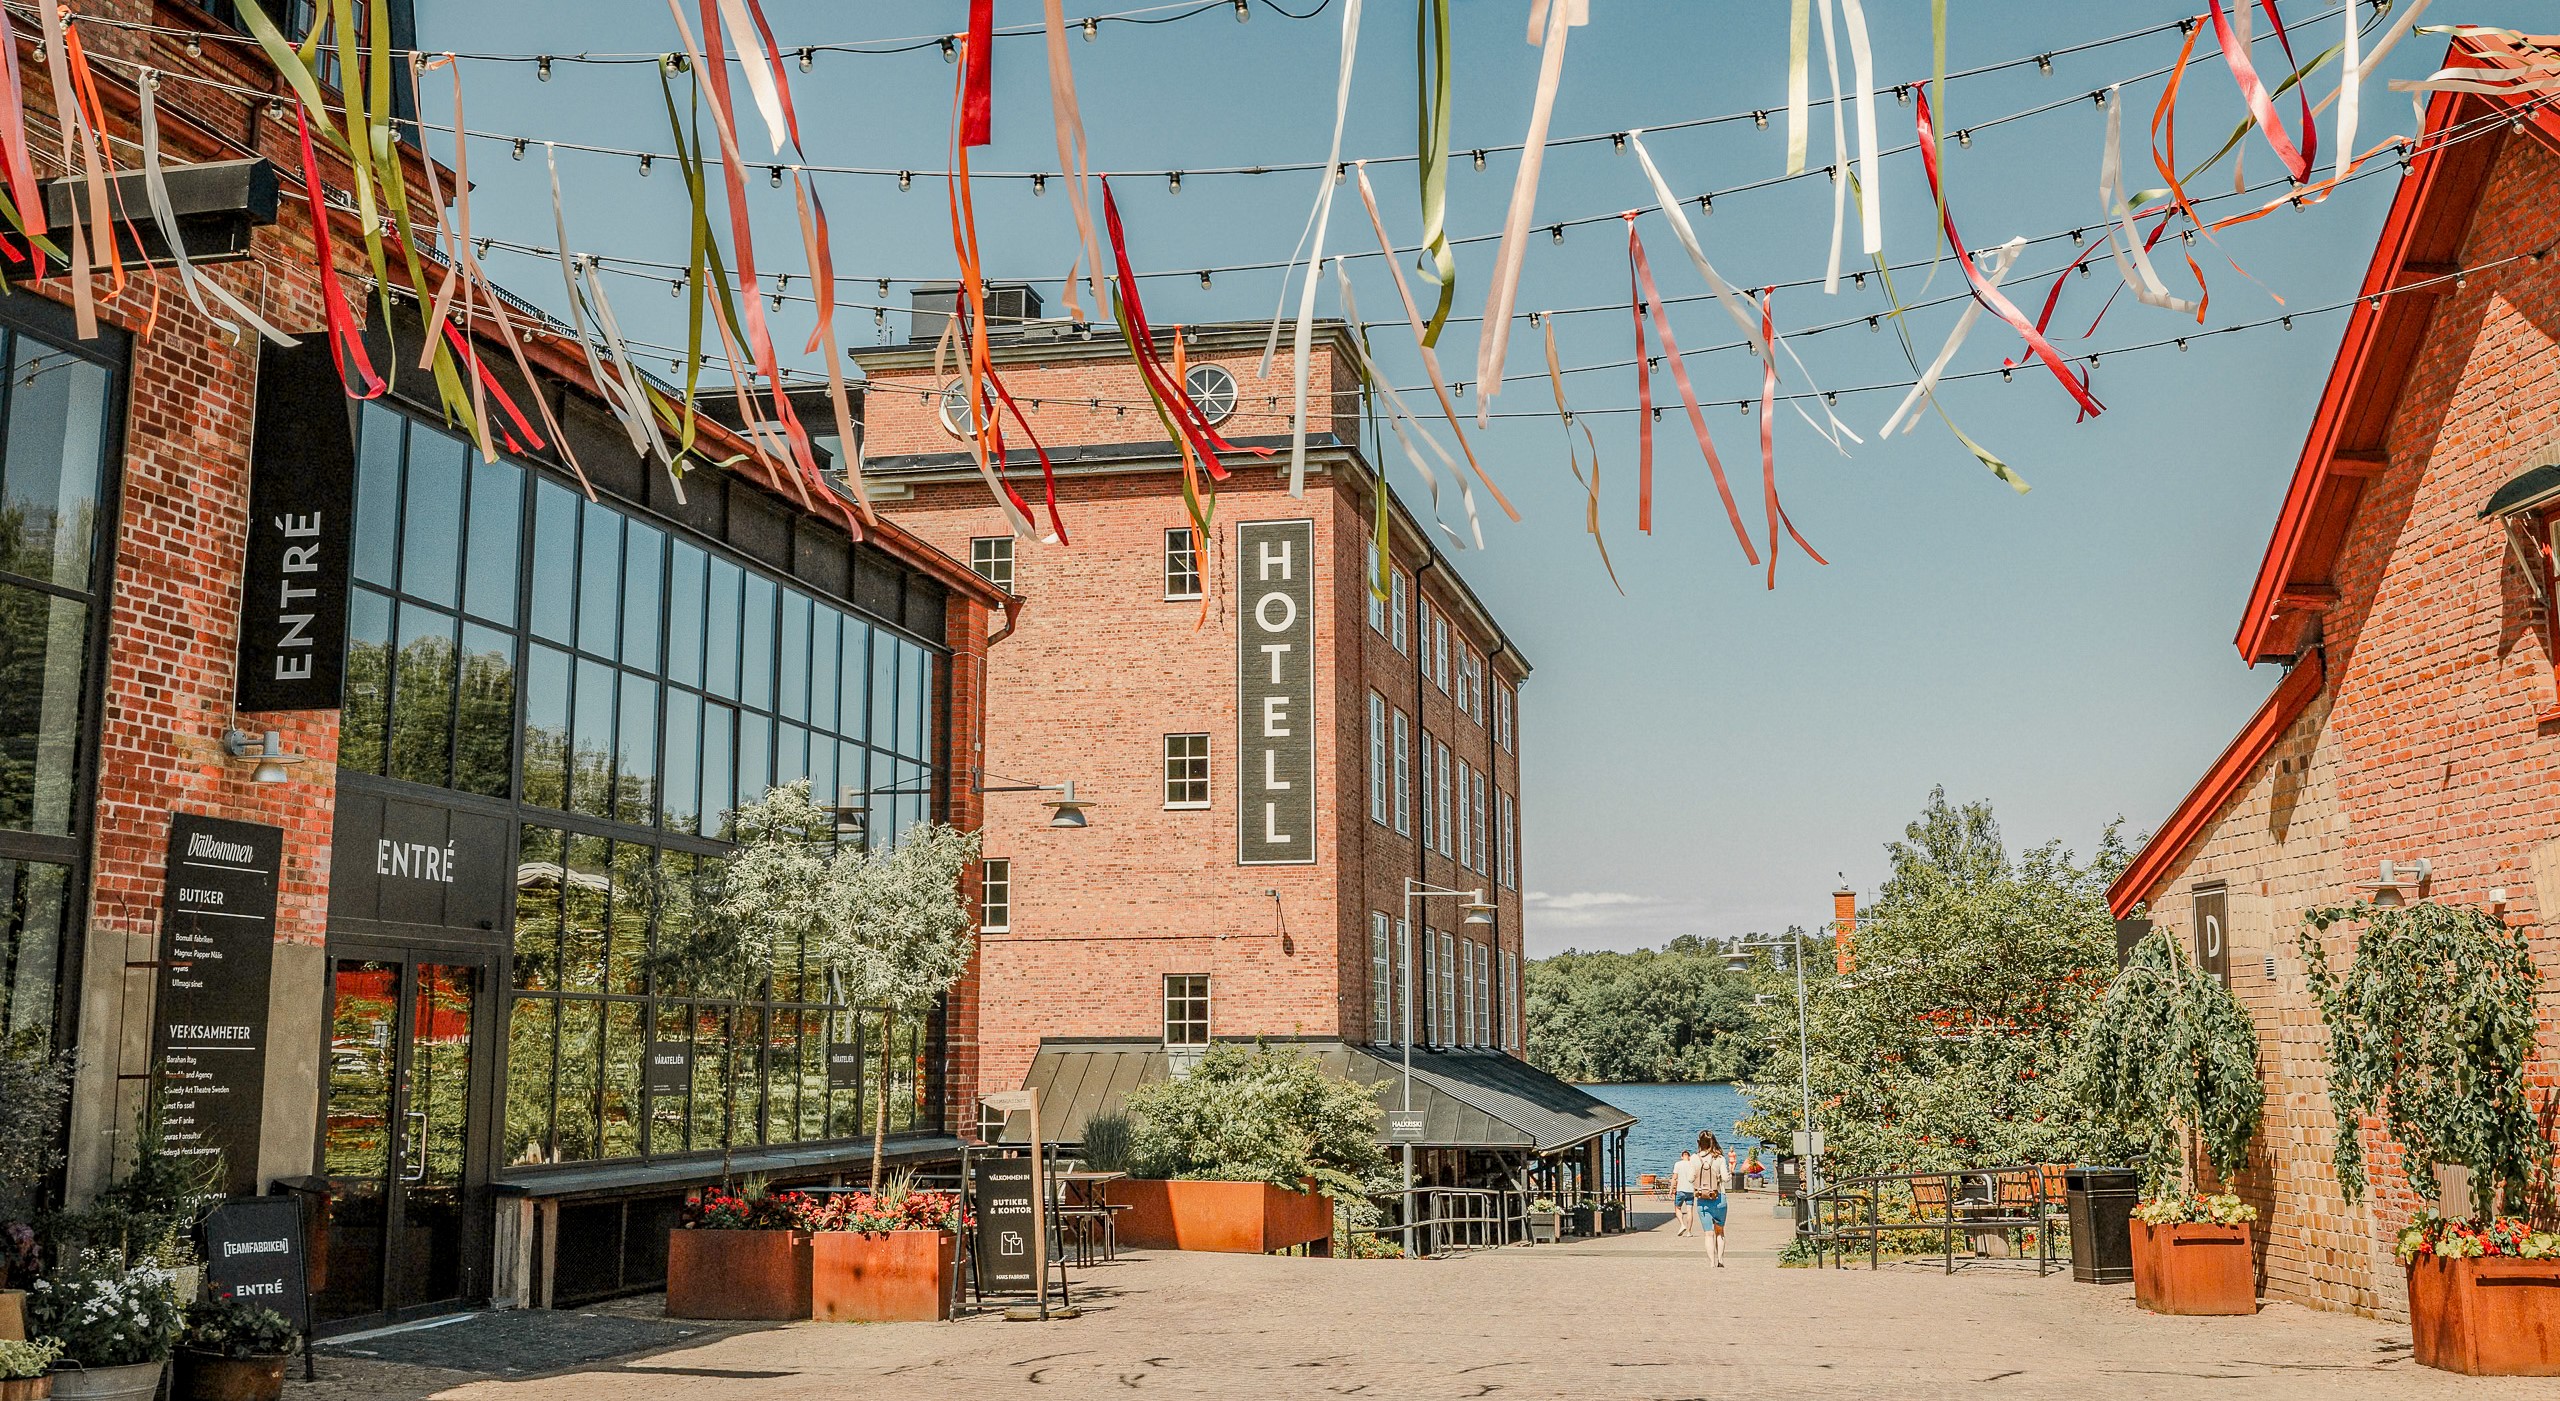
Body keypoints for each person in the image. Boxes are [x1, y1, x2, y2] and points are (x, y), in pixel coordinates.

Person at [1696, 1129, 1732, 1266]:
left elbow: (1690, 1178)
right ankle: (1720, 1260)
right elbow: (1725, 1178)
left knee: (1708, 1233)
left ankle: (1711, 1261)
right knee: (1720, 1232)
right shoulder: (1720, 1159)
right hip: (1719, 1197)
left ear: (1699, 1142)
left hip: (1702, 1198)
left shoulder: (1695, 1158)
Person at [1669, 1147, 1699, 1236]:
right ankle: (1689, 1232)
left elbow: (1674, 1178)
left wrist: (1671, 1189)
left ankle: (1682, 1224)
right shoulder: (1692, 1164)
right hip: (1690, 1190)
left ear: (1682, 1156)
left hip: (1680, 1189)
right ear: (1689, 1157)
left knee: (1677, 1207)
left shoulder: (1678, 1164)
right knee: (1690, 1210)